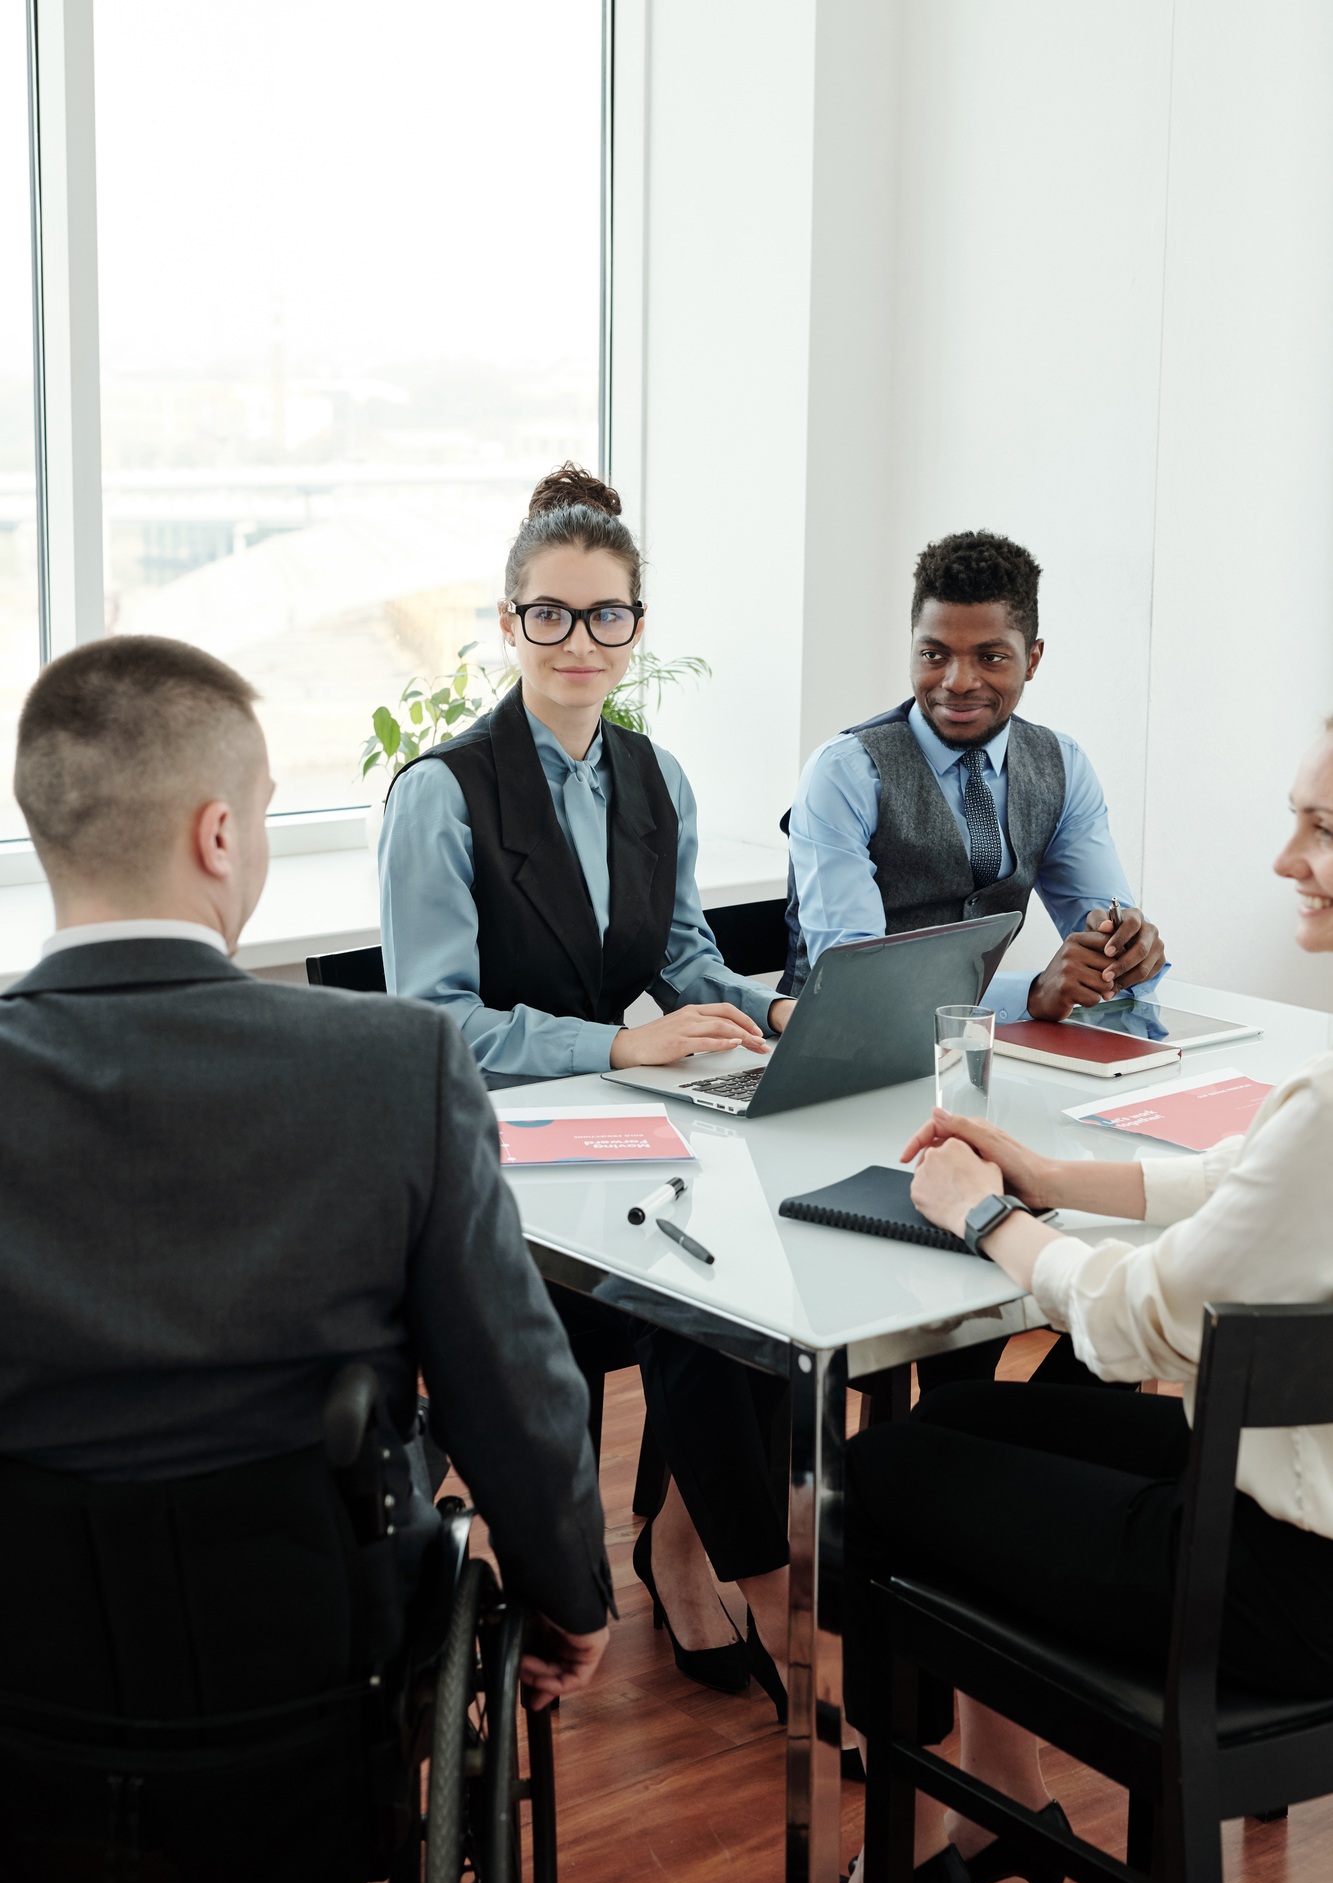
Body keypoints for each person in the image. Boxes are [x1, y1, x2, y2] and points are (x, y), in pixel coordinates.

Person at [4, 633, 611, 1715]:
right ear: (220, 833)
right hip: (321, 1665)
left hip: (31, 1678)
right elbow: (509, 1386)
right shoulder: (393, 1066)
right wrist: (570, 1593)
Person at [835, 717, 1333, 1883]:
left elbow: (1134, 1318)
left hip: (1275, 1587)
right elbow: (1244, 1180)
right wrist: (1050, 1169)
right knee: (941, 1425)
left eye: (1319, 828)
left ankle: (928, 1832)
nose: (1285, 858)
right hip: (1291, 1503)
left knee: (881, 1473)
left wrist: (988, 1214)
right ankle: (1005, 1785)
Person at [379, 463, 793, 1705]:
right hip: (495, 1178)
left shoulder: (655, 779)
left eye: (605, 614)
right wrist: (615, 1047)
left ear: (636, 628)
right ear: (508, 625)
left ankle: (700, 1551)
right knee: (698, 1305)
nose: (578, 640)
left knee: (735, 1299)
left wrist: (772, 1009)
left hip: (618, 1148)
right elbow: (433, 1023)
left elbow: (681, 961)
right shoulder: (440, 796)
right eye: (548, 614)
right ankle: (761, 1600)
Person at [784, 528, 1168, 1393]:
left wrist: (1123, 954)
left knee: (1097, 1231)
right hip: (844, 1082)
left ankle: (1004, 1453)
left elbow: (1100, 924)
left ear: (1032, 656)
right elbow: (856, 976)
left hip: (980, 1085)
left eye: (988, 656)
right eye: (933, 654)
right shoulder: (845, 771)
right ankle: (943, 1452)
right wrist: (1031, 991)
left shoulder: (1059, 766)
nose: (956, 682)